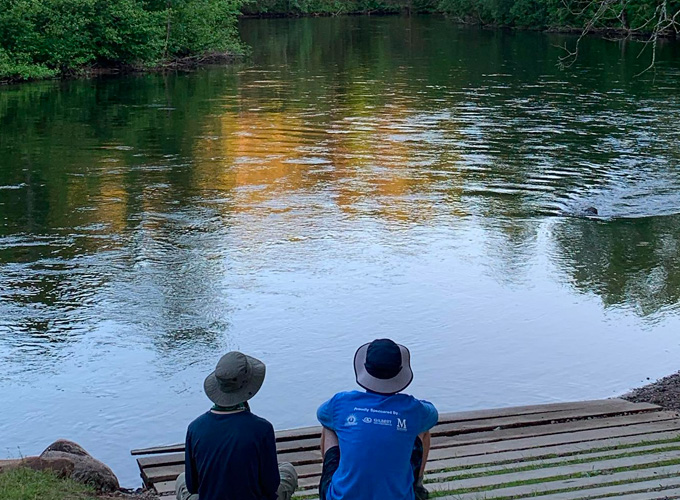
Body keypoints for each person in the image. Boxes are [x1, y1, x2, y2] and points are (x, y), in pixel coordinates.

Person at [317, 339, 438, 500]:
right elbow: (433, 415)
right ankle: (417, 485)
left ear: (365, 369)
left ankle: (339, 478)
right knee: (422, 428)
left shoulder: (341, 402)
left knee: (330, 426)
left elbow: (322, 415)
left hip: (340, 497)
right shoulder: (413, 409)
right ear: (400, 371)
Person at [176, 351, 298, 500]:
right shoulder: (262, 428)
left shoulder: (195, 428)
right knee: (287, 469)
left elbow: (192, 486)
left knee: (181, 479)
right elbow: (270, 486)